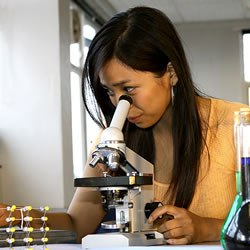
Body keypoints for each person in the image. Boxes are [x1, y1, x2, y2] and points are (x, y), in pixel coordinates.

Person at [0, 6, 247, 245]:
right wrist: (17, 216)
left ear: (170, 73)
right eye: (109, 91)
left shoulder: (239, 125)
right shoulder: (111, 143)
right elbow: (77, 225)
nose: (121, 105)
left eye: (128, 89)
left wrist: (208, 228)